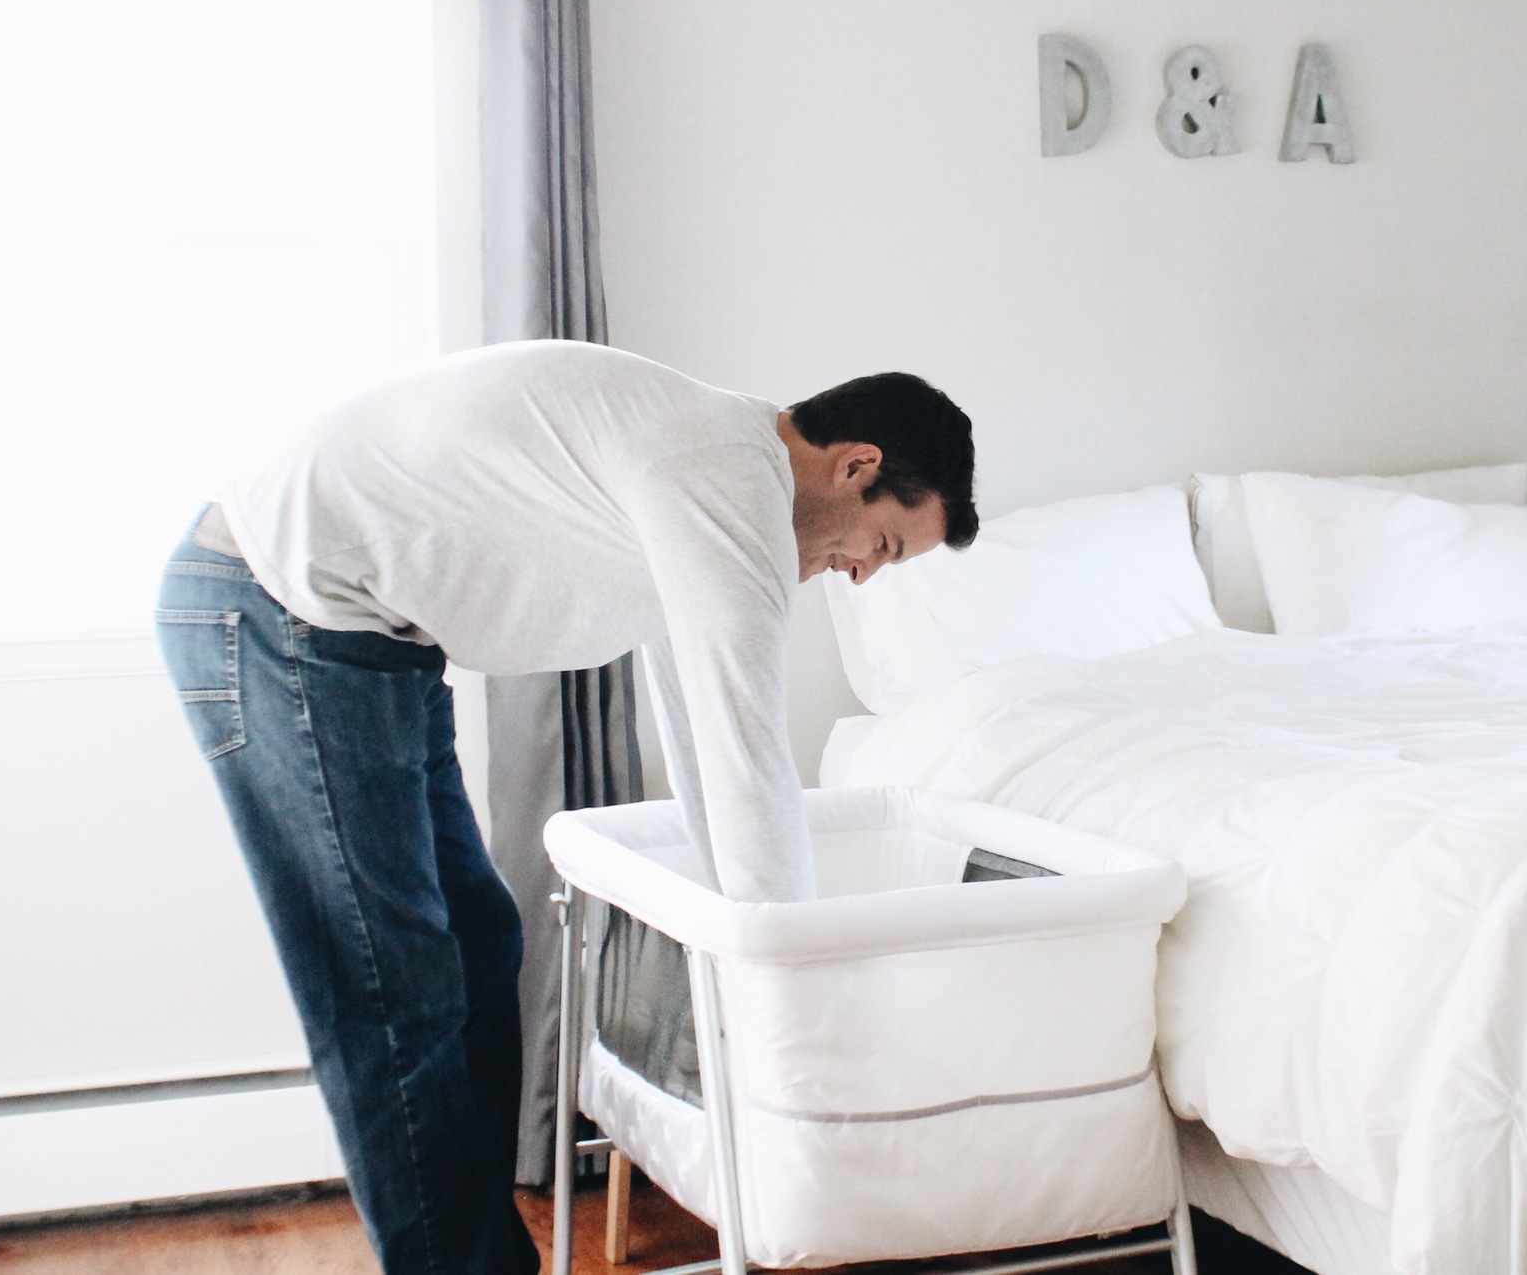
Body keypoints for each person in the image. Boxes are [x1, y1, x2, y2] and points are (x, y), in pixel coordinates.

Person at [151, 343, 978, 1275]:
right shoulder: (720, 472)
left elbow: (710, 746)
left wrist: (746, 938)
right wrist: (796, 995)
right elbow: (750, 759)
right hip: (276, 610)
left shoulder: (715, 471)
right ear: (856, 465)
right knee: (391, 995)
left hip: (368, 639)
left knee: (480, 940)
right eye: (886, 544)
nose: (864, 574)